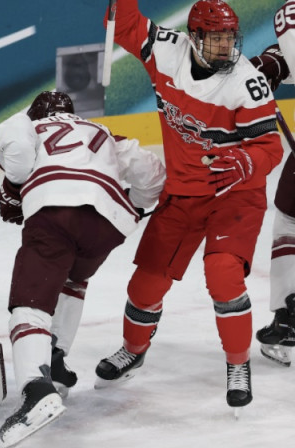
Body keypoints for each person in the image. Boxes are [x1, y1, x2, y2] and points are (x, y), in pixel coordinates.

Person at [95, 0, 284, 412]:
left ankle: (238, 364)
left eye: (230, 40)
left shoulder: (246, 82)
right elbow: (126, 23)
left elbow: (270, 147)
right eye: (216, 40)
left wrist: (247, 161)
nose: (225, 49)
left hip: (235, 191)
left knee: (223, 274)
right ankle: (133, 349)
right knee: (145, 284)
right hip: (183, 192)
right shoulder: (165, 50)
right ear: (193, 37)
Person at [0, 91, 165, 446]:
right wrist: (132, 206)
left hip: (57, 214)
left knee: (30, 302)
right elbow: (152, 172)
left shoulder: (27, 124)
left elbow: (21, 160)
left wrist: (13, 195)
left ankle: (36, 390)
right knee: (73, 277)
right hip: (107, 225)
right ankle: (54, 358)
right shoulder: (100, 131)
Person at [245, 1, 295, 368]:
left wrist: (270, 64)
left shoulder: (289, 11)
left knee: (290, 223)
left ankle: (288, 319)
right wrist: (271, 63)